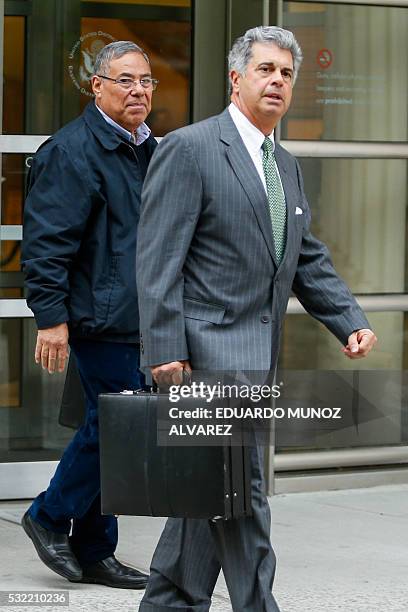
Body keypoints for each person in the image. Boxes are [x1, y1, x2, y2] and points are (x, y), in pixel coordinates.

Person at [135, 26, 377, 611]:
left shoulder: (285, 166)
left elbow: (303, 256)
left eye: (286, 74)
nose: (277, 82)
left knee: (207, 495)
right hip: (201, 359)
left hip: (255, 362)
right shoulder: (190, 148)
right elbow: (158, 257)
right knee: (242, 492)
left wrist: (347, 318)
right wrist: (165, 349)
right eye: (265, 70)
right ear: (236, 78)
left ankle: (168, 602)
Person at [21, 40, 158, 589]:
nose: (138, 90)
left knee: (117, 429)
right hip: (98, 318)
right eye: (124, 80)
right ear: (96, 86)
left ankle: (96, 548)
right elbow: (47, 244)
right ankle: (50, 515)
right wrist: (50, 317)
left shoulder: (149, 148)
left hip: (139, 316)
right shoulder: (73, 151)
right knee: (115, 426)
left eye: (146, 80)